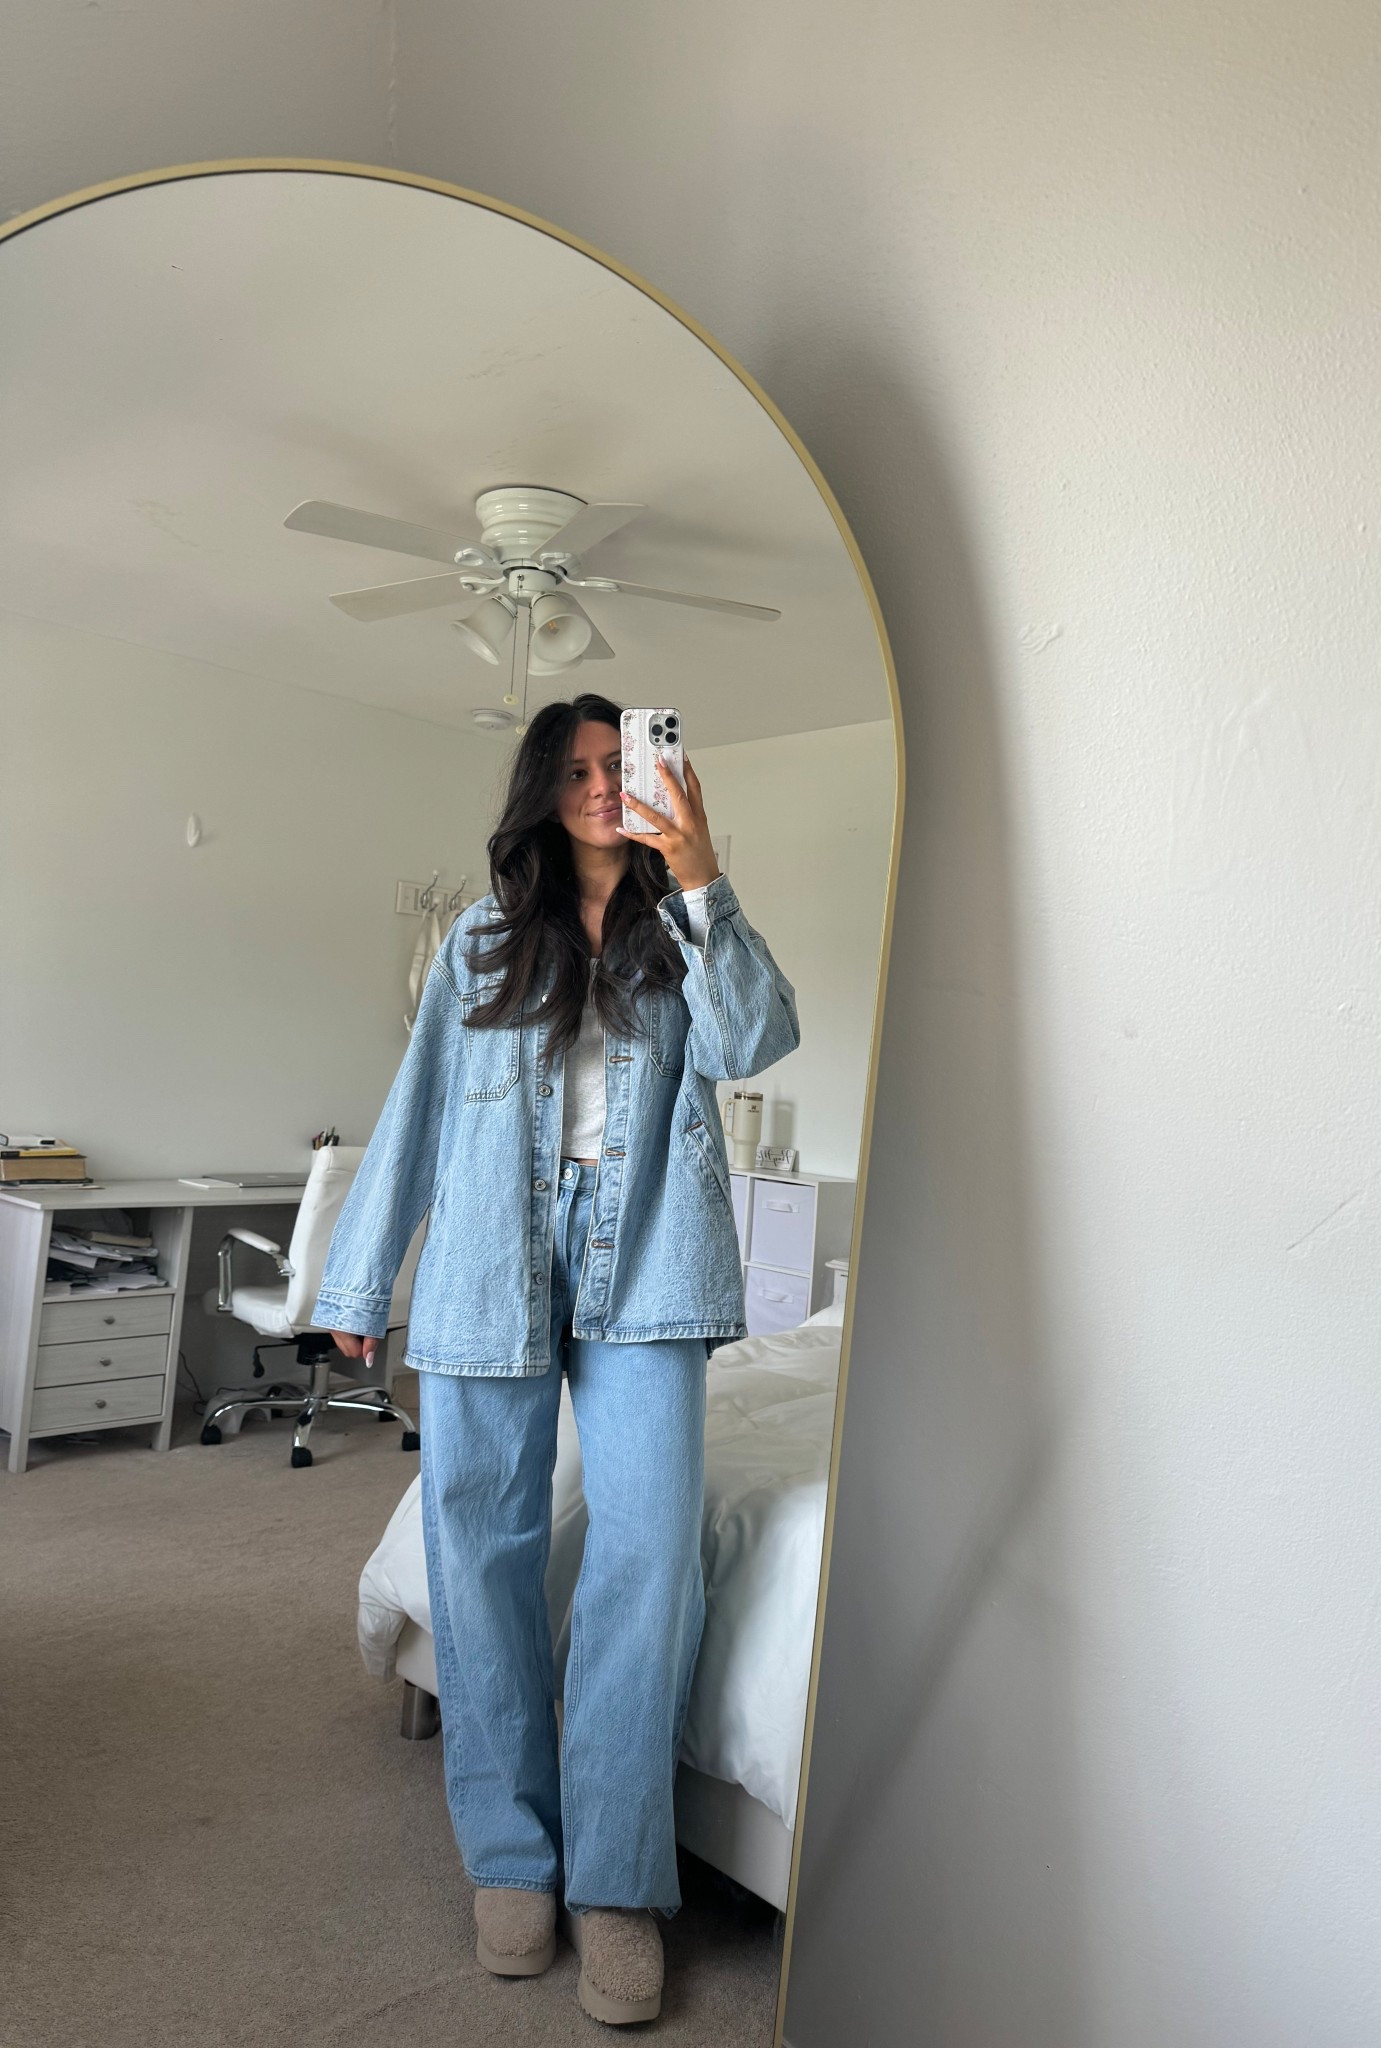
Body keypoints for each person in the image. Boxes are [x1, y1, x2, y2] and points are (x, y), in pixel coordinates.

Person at [313, 693, 798, 2026]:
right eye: (576, 768)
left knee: (649, 1554)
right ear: (543, 788)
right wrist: (362, 1276)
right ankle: (512, 1859)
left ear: (660, 782)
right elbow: (417, 1108)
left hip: (650, 1254)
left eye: (620, 765)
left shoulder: (684, 925)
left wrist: (701, 874)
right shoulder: (482, 939)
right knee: (481, 1545)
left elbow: (755, 1040)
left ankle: (619, 1884)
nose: (599, 786)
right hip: (489, 1252)